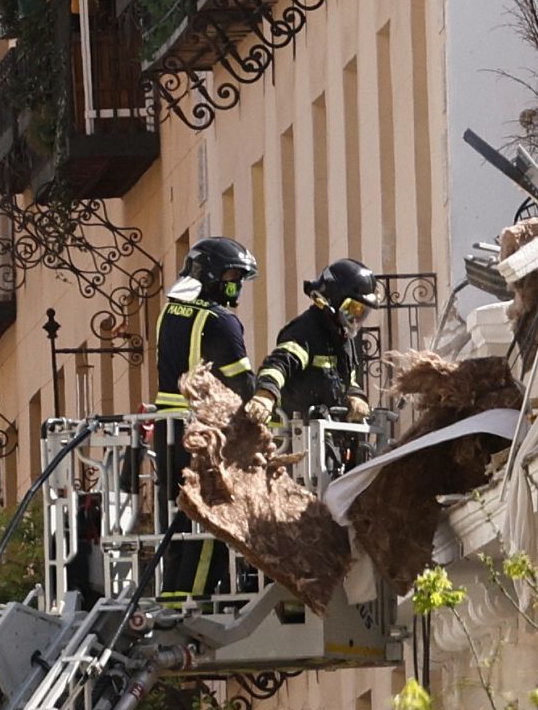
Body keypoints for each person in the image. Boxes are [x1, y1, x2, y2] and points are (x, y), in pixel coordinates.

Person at [154, 236, 258, 600]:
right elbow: (245, 384)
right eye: (233, 276)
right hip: (202, 440)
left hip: (167, 435)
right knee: (210, 524)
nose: (238, 285)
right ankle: (189, 604)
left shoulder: (170, 312)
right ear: (212, 276)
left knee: (179, 522)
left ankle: (171, 597)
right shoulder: (221, 322)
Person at [243, 258, 378, 424]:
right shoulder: (305, 330)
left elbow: (347, 380)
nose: (357, 317)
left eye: (362, 311)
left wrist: (356, 396)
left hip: (330, 435)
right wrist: (265, 395)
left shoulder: (343, 338)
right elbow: (279, 364)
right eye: (354, 309)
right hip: (297, 436)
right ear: (334, 299)